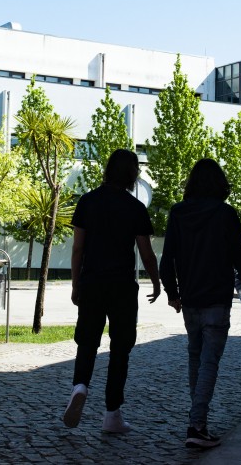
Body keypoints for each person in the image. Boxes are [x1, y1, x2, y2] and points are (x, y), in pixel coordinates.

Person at [63, 149, 161, 433]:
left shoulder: (87, 201)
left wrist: (75, 282)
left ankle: (80, 385)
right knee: (120, 349)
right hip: (122, 288)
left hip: (92, 283)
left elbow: (78, 247)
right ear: (131, 175)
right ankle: (112, 414)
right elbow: (146, 253)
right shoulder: (135, 208)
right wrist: (156, 282)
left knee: (87, 341)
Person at [159, 158, 241, 449]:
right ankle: (196, 425)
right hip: (217, 299)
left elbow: (167, 258)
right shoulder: (226, 214)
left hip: (191, 299)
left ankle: (199, 423)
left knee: (195, 357)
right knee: (208, 361)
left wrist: (172, 293)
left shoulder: (178, 212)